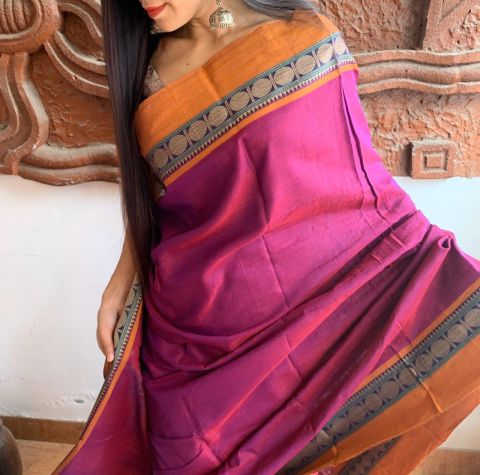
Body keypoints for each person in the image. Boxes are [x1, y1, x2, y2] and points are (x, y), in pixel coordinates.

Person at [52, 1, 480, 474]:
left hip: (318, 303)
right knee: (184, 453)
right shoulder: (146, 69)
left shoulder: (302, 36)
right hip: (198, 330)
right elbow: (150, 194)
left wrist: (425, 266)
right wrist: (121, 279)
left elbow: (359, 182)